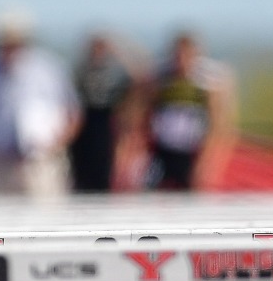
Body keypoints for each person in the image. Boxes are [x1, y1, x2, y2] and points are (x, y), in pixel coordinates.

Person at [0, 8, 76, 198]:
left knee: (47, 220)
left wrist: (54, 144)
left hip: (41, 164)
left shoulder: (48, 69)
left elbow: (73, 114)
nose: (7, 50)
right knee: (0, 220)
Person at [140, 32, 237, 191]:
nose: (181, 61)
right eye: (178, 55)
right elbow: (143, 113)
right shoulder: (161, 81)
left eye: (187, 55)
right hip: (162, 149)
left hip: (192, 151)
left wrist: (207, 163)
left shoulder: (206, 84)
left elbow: (218, 126)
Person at [69, 34, 137, 193]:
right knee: (82, 170)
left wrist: (119, 53)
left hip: (107, 120)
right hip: (86, 122)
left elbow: (139, 78)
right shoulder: (81, 71)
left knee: (104, 167)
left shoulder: (116, 73)